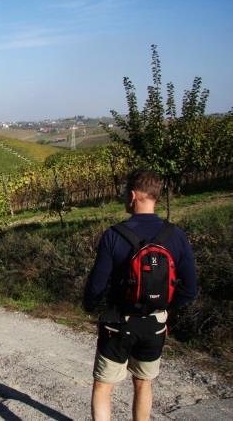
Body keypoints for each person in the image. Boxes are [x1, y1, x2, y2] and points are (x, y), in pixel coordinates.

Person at [83, 170, 198, 421]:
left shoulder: (113, 235)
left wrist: (90, 306)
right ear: (156, 196)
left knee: (103, 386)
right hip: (155, 324)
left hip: (117, 323)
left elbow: (97, 285)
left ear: (133, 195)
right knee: (143, 383)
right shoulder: (175, 235)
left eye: (126, 194)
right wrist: (163, 309)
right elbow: (190, 288)